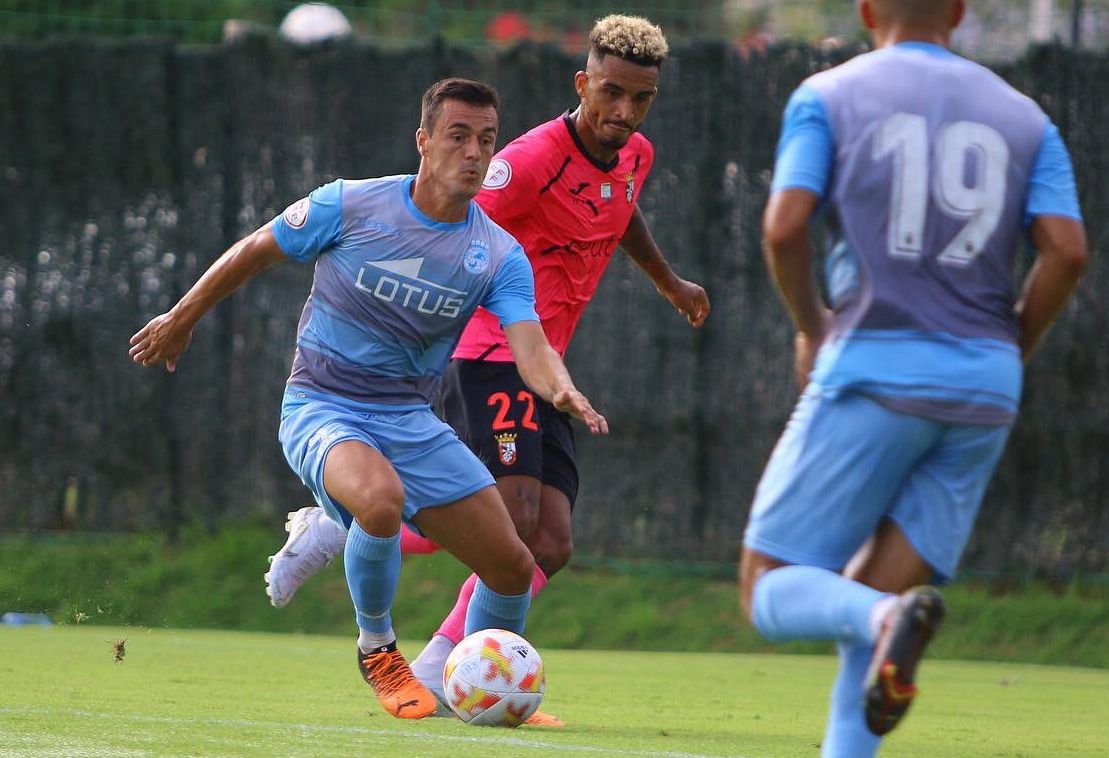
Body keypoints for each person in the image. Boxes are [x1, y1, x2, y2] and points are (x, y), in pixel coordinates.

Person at [263, 14, 710, 721]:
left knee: (550, 545)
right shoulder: (525, 161)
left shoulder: (634, 155)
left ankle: (445, 660)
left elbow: (621, 212)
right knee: (511, 517)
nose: (623, 112)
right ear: (583, 84)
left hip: (546, 366)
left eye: (640, 99)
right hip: (487, 352)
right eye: (611, 93)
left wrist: (668, 281)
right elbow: (454, 218)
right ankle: (351, 534)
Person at [129, 77, 608, 721]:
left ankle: (483, 685)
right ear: (423, 141)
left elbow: (530, 345)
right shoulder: (351, 206)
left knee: (512, 564)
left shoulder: (496, 254)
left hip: (410, 419)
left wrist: (559, 386)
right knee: (379, 501)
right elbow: (254, 250)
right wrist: (181, 318)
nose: (474, 153)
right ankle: (379, 649)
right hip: (322, 405)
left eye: (486, 141)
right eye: (458, 136)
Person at [738, 1, 1087, 756]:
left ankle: (884, 620)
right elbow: (1066, 250)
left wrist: (811, 326)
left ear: (866, 9)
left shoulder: (827, 94)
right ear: (959, 13)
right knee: (877, 592)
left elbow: (783, 226)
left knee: (766, 586)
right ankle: (882, 633)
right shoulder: (1026, 116)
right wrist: (1010, 344)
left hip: (875, 366)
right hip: (985, 390)